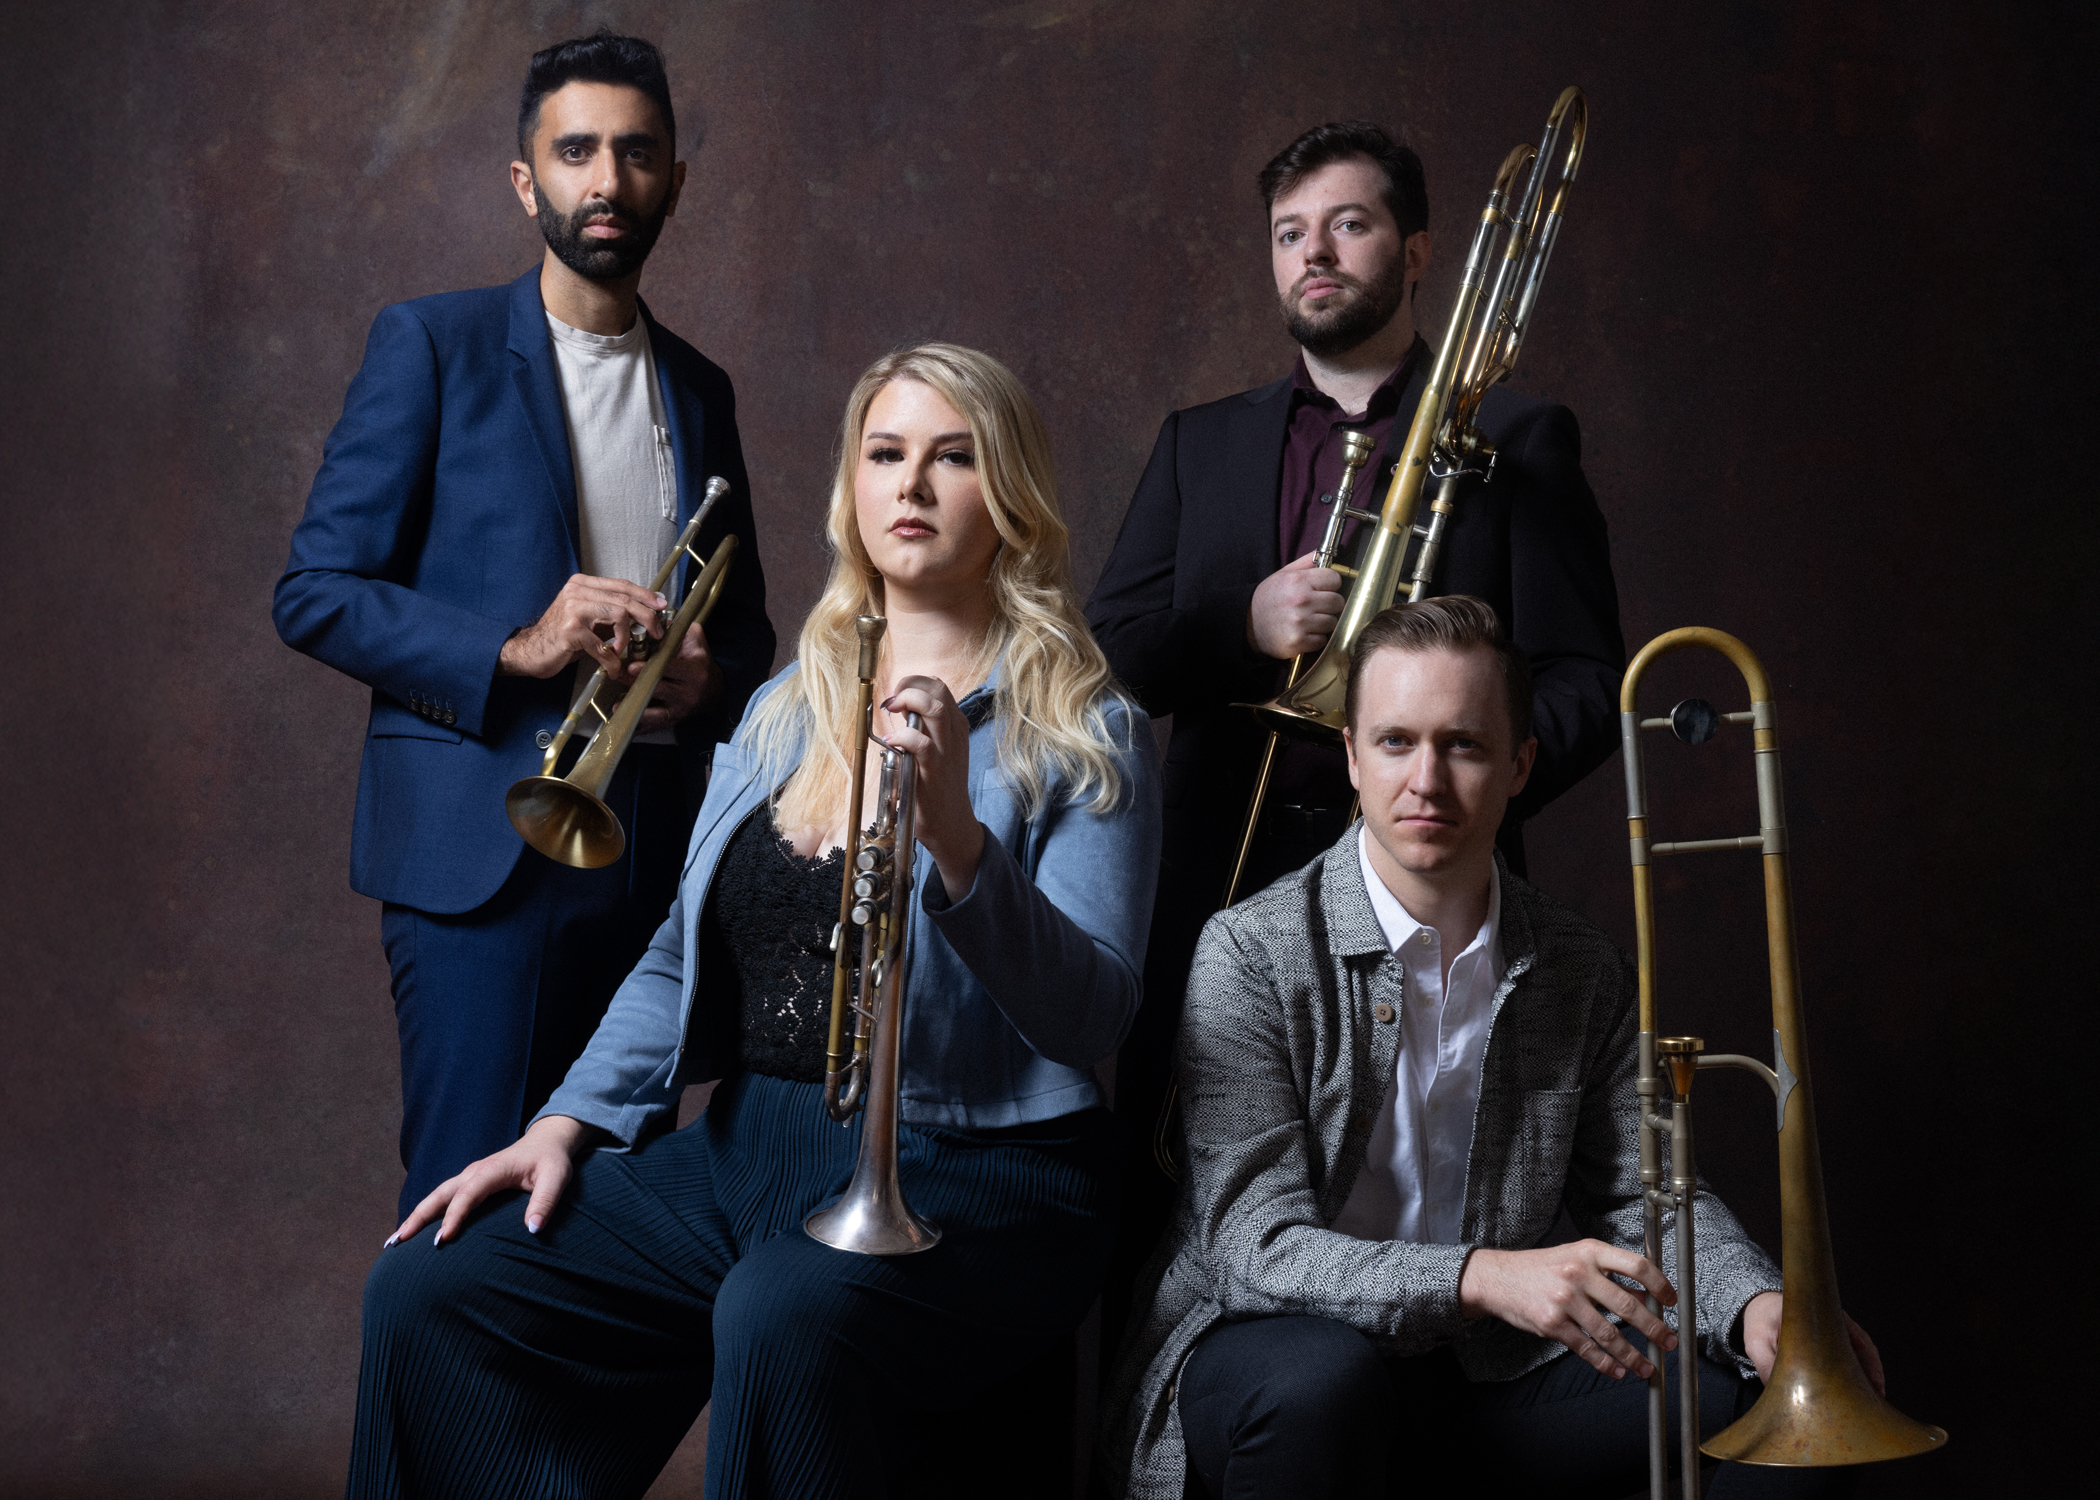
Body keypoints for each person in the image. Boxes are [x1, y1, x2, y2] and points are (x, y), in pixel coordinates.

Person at [346, 344, 1160, 1499]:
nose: (912, 487)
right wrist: (564, 1126)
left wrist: (957, 842)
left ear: (1011, 494)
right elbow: (682, 952)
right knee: (434, 1287)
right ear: (854, 489)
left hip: (985, 1168)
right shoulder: (788, 705)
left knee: (782, 1312)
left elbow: (1092, 1013)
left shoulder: (1085, 725)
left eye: (952, 457)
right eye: (885, 455)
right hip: (757, 1146)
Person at [1100, 597, 1884, 1499]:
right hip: (1271, 1350)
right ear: (1351, 756)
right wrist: (1480, 1276)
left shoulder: (1579, 967)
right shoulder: (1251, 952)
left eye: (1463, 745)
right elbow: (1255, 1246)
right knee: (1322, 1385)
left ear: (1519, 765)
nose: (1425, 780)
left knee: (1760, 1409)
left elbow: (1643, 1190)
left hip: (1476, 1372)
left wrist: (1756, 1302)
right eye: (1395, 742)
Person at [1084, 118, 1624, 1295]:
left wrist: (1469, 775)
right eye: (1289, 234)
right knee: (1174, 1202)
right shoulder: (1200, 443)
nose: (1313, 254)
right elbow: (1112, 652)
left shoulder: (1519, 437)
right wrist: (1242, 625)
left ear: (1419, 250)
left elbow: (1587, 681)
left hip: (1437, 894)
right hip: (1218, 883)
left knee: (1422, 1195)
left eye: (1349, 224)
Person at [272, 34, 775, 1219]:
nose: (607, 180)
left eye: (636, 153)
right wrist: (513, 649)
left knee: (600, 1222)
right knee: (461, 1216)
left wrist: (707, 682)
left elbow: (745, 634)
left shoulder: (702, 388)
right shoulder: (431, 346)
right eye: (578, 151)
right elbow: (315, 590)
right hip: (483, 857)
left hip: (652, 860)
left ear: (673, 182)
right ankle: (413, 1418)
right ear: (525, 179)